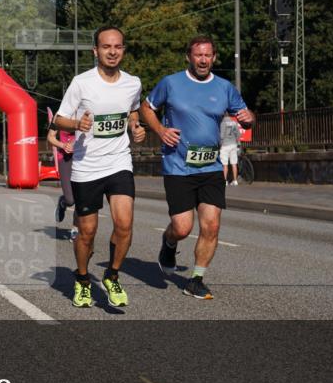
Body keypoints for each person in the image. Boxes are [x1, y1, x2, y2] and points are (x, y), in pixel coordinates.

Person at [140, 35, 255, 300]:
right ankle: (169, 243)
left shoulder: (225, 87)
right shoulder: (171, 83)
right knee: (182, 228)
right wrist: (159, 129)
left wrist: (250, 119)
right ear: (189, 57)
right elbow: (146, 108)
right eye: (198, 55)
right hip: (178, 166)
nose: (203, 60)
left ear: (214, 58)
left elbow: (246, 117)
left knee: (211, 226)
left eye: (207, 55)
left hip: (211, 167)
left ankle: (196, 279)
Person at [52, 26, 146, 309]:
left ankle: (112, 275)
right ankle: (82, 279)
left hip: (119, 161)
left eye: (117, 46)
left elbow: (133, 109)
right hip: (86, 166)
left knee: (124, 224)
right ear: (96, 51)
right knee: (88, 231)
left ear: (123, 50)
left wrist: (135, 126)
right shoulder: (82, 83)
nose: (113, 51)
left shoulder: (133, 83)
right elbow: (59, 119)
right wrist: (76, 124)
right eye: (106, 47)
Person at [46, 119, 78, 240]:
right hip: (64, 158)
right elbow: (50, 137)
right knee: (71, 200)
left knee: (81, 197)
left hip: (83, 158)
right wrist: (63, 145)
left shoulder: (86, 111)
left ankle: (75, 229)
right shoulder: (59, 116)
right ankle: (63, 202)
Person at [219, 114, 241, 186]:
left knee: (225, 164)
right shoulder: (234, 123)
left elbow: (221, 136)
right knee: (234, 163)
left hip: (225, 145)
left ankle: (225, 181)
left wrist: (220, 145)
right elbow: (238, 135)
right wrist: (238, 143)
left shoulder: (223, 123)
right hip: (233, 144)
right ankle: (235, 181)